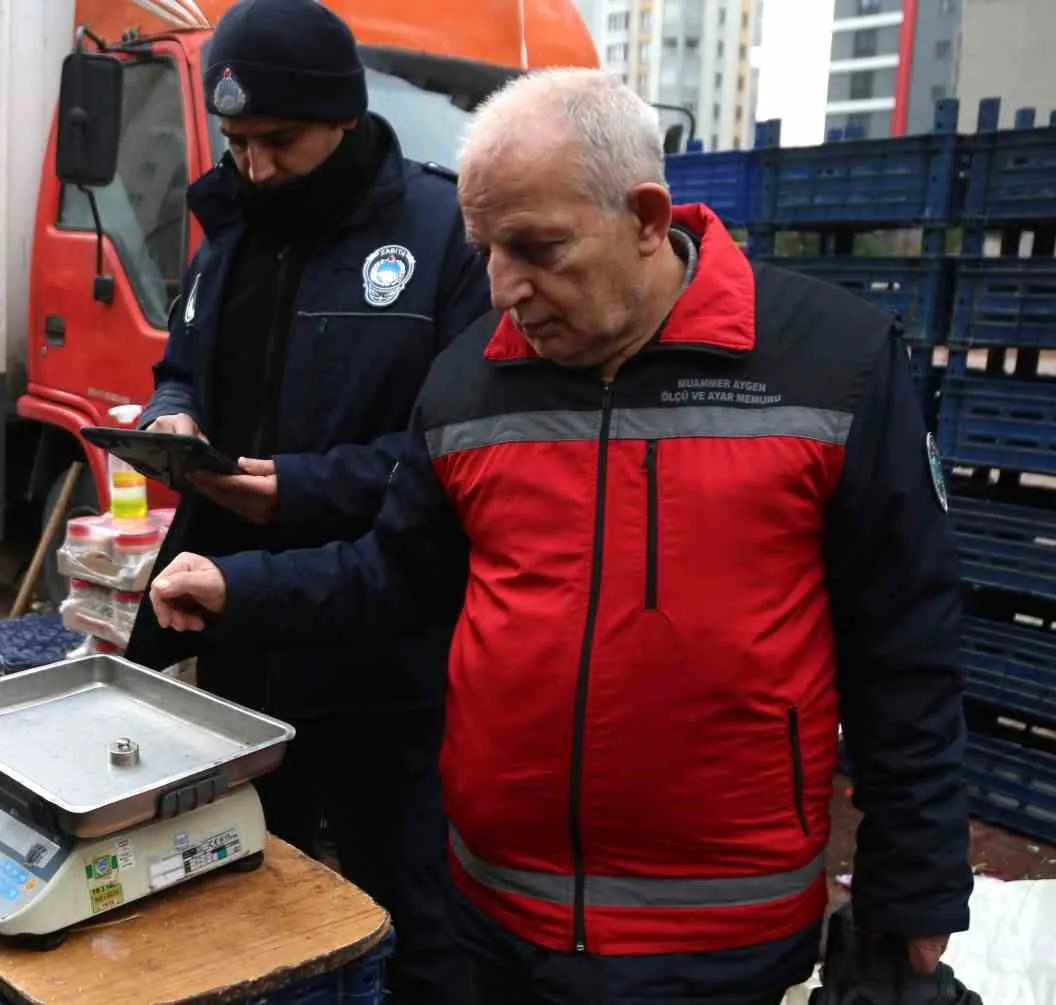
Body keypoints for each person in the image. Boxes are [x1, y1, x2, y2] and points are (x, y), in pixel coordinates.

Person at [147, 68, 973, 1004]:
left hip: (718, 935)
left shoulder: (833, 364)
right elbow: (396, 576)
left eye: (535, 249)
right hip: (495, 918)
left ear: (648, 217)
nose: (503, 289)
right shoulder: (467, 381)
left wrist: (916, 882)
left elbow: (907, 642)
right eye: (485, 249)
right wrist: (240, 588)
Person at [121, 0, 491, 1000]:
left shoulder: (443, 237)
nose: (255, 163)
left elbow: (457, 455)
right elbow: (180, 365)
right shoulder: (226, 237)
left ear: (344, 116)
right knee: (258, 896)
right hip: (244, 631)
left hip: (390, 655)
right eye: (237, 141)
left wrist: (299, 489)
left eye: (278, 140)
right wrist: (170, 417)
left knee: (408, 911)